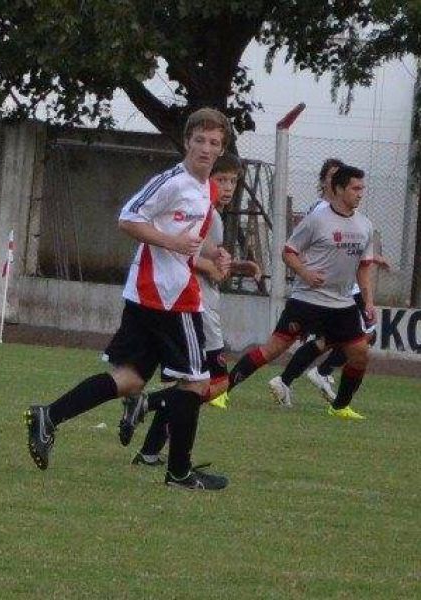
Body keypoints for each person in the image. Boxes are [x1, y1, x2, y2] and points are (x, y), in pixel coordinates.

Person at [25, 107, 232, 490]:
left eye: (214, 142)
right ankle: (179, 473)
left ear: (221, 149)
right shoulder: (172, 181)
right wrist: (174, 243)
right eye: (199, 140)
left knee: (130, 378)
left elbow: (188, 244)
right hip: (169, 296)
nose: (205, 148)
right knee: (196, 384)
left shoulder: (209, 189)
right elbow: (127, 218)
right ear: (187, 141)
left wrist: (212, 256)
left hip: (152, 291)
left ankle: (48, 416)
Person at [121, 154, 262, 466]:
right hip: (195, 304)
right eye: (220, 180)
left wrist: (235, 265)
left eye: (232, 181)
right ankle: (148, 406)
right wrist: (216, 268)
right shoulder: (205, 211)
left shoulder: (214, 215)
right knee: (210, 382)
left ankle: (149, 451)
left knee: (191, 385)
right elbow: (190, 256)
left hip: (198, 302)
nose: (226, 187)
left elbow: (204, 257)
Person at [225, 165, 376, 420]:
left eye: (362, 188)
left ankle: (340, 406)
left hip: (342, 304)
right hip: (307, 300)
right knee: (272, 350)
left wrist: (369, 302)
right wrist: (305, 273)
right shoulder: (317, 219)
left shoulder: (365, 225)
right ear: (339, 189)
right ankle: (222, 390)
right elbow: (288, 252)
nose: (360, 193)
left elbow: (363, 267)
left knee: (360, 354)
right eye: (355, 188)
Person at [268, 160, 388, 406]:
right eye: (333, 177)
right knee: (360, 338)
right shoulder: (322, 210)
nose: (358, 193)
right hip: (331, 290)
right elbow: (315, 243)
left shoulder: (349, 215)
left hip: (347, 288)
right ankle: (316, 374)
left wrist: (371, 258)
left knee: (344, 338)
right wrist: (306, 272)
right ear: (330, 183)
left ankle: (296, 377)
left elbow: (347, 243)